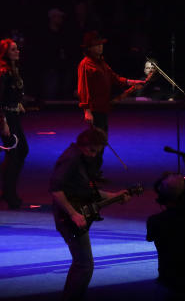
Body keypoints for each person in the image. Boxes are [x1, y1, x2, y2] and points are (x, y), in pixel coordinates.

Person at [50, 127, 131, 301]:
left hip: (76, 213)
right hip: (69, 218)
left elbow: (86, 190)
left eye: (98, 152)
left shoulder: (81, 159)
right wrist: (73, 214)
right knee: (84, 265)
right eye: (92, 150)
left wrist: (114, 196)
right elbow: (56, 191)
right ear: (83, 144)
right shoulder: (70, 159)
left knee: (81, 264)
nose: (94, 155)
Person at [76, 31, 144, 133]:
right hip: (94, 109)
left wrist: (131, 82)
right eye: (97, 45)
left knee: (102, 139)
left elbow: (114, 78)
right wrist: (87, 111)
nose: (100, 47)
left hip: (103, 107)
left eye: (101, 44)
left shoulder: (101, 62)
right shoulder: (85, 65)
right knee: (97, 141)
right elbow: (83, 89)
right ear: (89, 48)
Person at [0, 38, 29, 209]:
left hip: (14, 115)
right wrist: (3, 122)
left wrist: (18, 103)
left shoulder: (13, 70)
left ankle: (8, 190)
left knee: (21, 151)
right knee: (14, 154)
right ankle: (8, 193)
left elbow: (12, 92)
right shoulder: (3, 72)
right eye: (13, 49)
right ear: (6, 53)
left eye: (17, 49)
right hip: (6, 117)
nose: (17, 51)